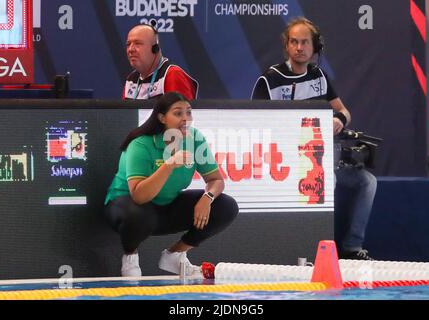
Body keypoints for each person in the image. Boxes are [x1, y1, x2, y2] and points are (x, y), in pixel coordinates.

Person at [252, 17, 377, 260]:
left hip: (322, 158)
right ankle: (318, 249)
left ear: (315, 47)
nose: (299, 48)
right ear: (287, 46)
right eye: (294, 42)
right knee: (325, 179)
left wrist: (339, 119)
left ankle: (352, 248)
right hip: (286, 164)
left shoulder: (319, 76)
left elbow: (345, 111)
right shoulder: (270, 79)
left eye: (305, 42)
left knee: (367, 182)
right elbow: (257, 124)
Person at [104, 92, 238, 277]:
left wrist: (207, 198)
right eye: (178, 113)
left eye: (188, 113)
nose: (185, 119)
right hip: (127, 208)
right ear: (162, 118)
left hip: (165, 207)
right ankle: (130, 257)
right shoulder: (141, 144)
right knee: (138, 213)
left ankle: (175, 255)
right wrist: (169, 165)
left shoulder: (194, 139)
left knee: (226, 206)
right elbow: (139, 196)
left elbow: (216, 180)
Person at [123, 24, 199, 100]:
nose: (130, 49)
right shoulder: (131, 79)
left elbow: (183, 111)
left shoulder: (172, 75)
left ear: (155, 49)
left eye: (138, 43)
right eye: (128, 44)